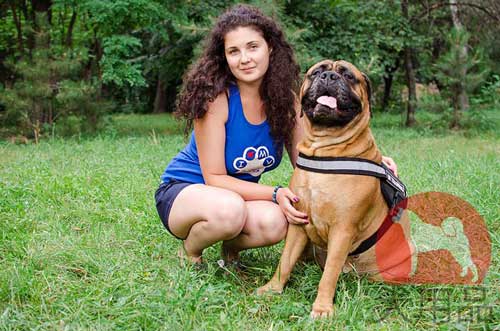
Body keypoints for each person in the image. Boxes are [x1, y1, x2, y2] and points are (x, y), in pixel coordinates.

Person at [155, 4, 397, 268]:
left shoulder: (285, 102)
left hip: (236, 198)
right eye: (233, 51)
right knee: (229, 211)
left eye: (252, 47)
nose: (244, 58)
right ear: (224, 57)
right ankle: (190, 250)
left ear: (269, 48)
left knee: (278, 223)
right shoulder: (216, 101)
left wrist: (368, 162)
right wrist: (275, 192)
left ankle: (229, 246)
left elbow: (310, 159)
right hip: (185, 192)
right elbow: (214, 178)